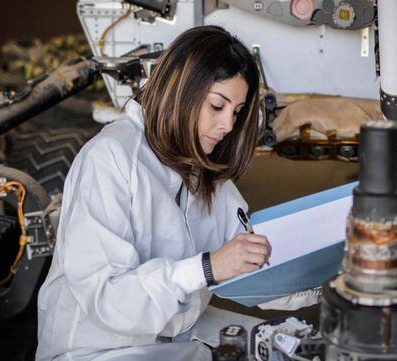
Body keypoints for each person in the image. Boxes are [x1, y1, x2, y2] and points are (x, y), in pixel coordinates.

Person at [36, 26, 272, 361]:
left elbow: (249, 261)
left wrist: (333, 274)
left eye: (236, 112)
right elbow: (109, 299)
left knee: (288, 343)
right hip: (98, 349)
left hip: (173, 334)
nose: (229, 126)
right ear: (181, 91)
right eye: (217, 106)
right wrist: (206, 268)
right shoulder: (110, 158)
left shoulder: (202, 171)